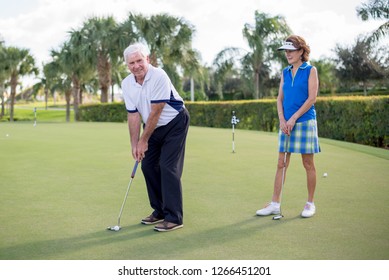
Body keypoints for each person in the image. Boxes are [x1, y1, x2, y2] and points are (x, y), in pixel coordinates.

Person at [121, 42, 190, 232]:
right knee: (148, 166)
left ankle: (174, 217)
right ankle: (159, 211)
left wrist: (144, 141)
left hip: (174, 122)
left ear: (147, 59)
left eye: (139, 61)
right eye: (131, 63)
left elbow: (156, 112)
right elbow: (133, 115)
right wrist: (135, 144)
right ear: (127, 65)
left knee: (168, 167)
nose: (136, 66)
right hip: (152, 127)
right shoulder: (127, 83)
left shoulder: (159, 76)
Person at [256, 35, 320, 218]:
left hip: (305, 121)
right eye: (286, 51)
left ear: (301, 51)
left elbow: (311, 99)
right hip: (286, 123)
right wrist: (282, 119)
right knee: (281, 163)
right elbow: (280, 98)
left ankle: (310, 203)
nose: (288, 54)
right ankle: (275, 203)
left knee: (308, 163)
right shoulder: (285, 72)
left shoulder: (310, 70)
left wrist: (293, 118)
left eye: (291, 50)